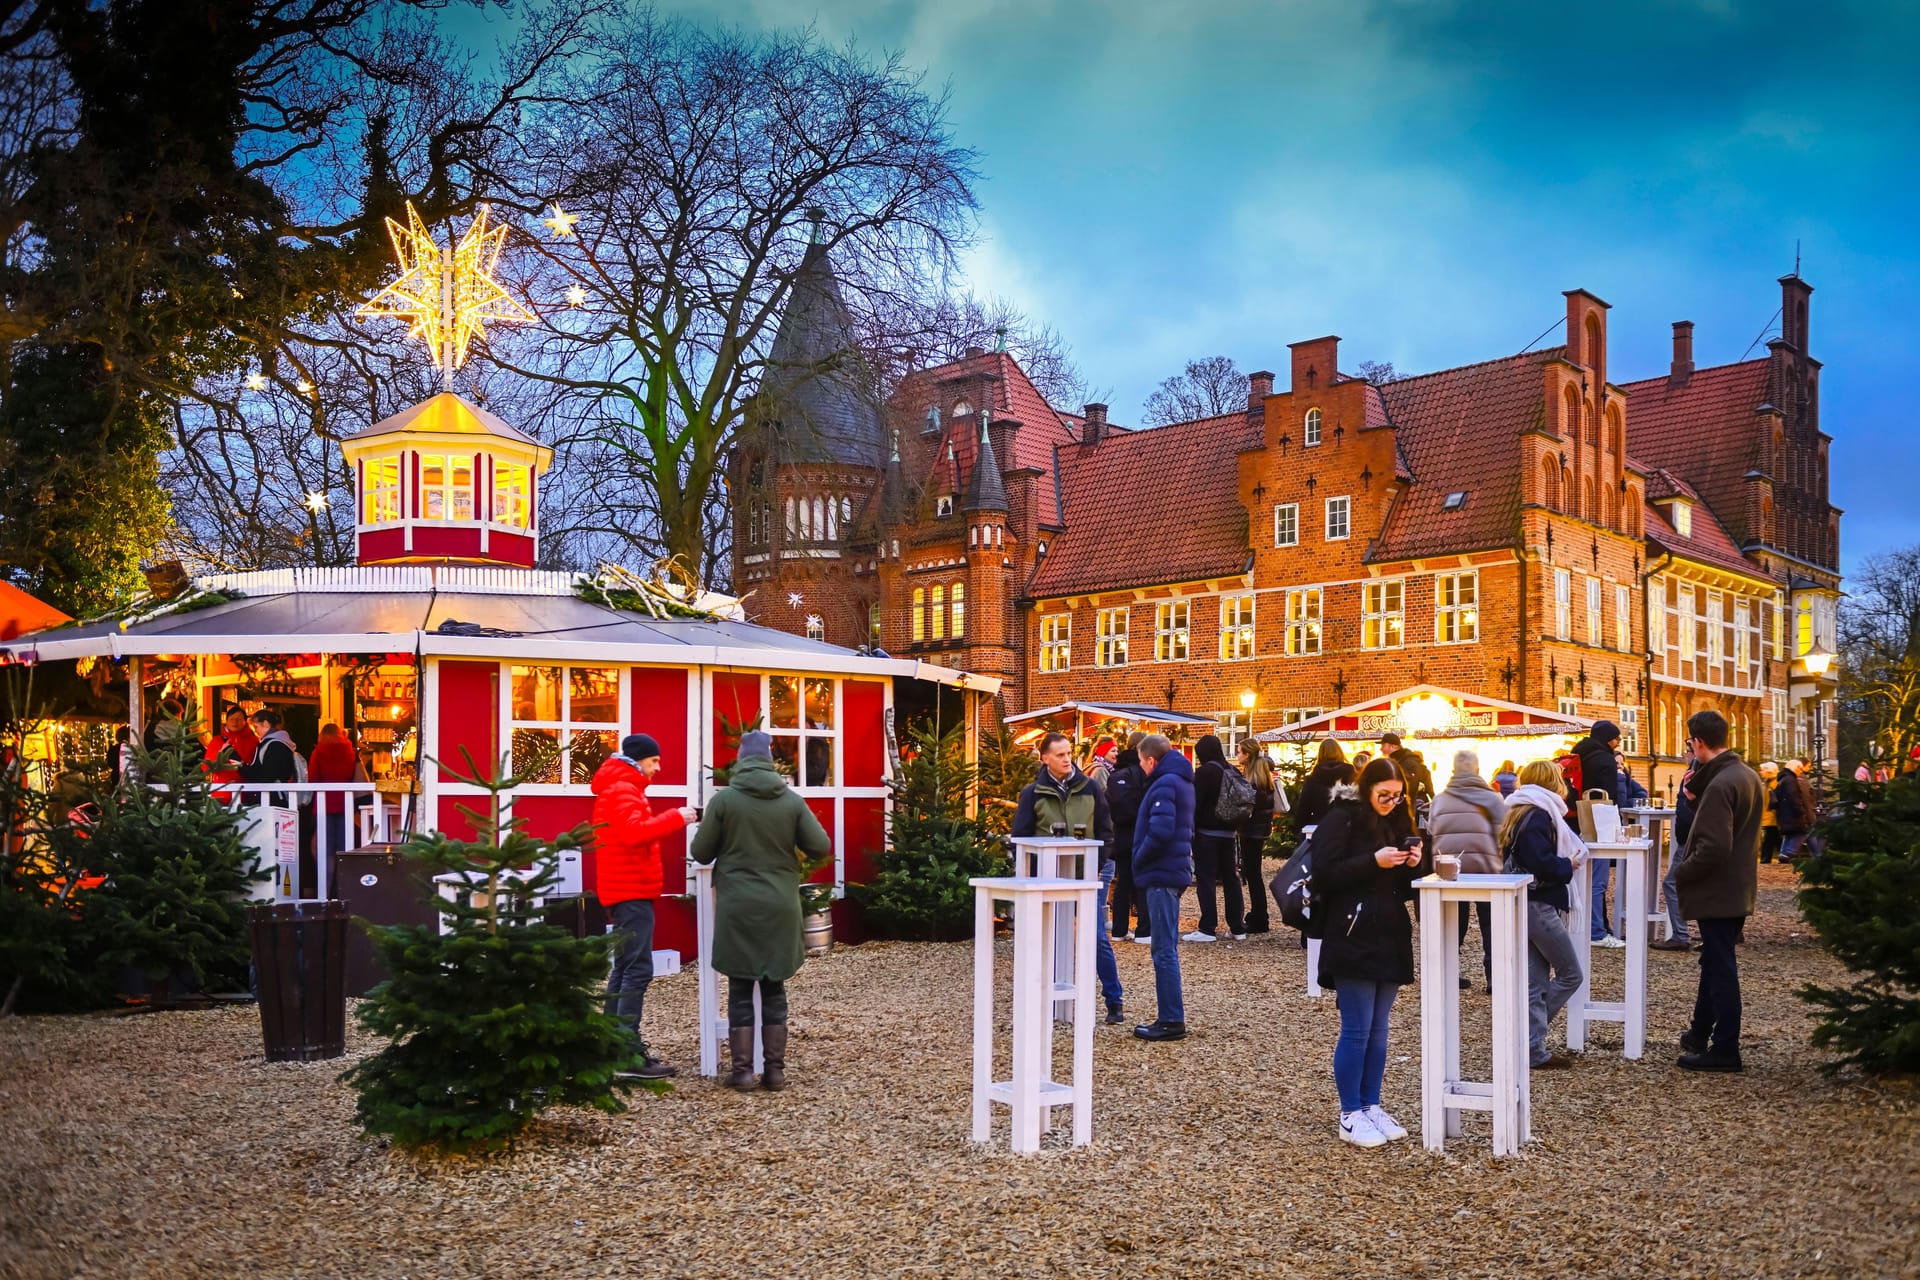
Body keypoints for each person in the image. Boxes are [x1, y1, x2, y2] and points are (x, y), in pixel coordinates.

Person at [691, 730, 831, 1090]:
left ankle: (741, 1072)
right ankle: (775, 1071)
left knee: (740, 986)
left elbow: (702, 852)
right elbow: (820, 847)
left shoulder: (725, 801)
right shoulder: (791, 801)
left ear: (741, 759)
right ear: (770, 760)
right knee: (774, 988)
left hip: (738, 905)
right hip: (780, 904)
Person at [1313, 757, 1422, 1147]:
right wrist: (1372, 862)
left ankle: (1370, 1105)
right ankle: (1350, 1112)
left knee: (1379, 1030)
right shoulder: (1342, 816)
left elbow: (1405, 885)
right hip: (1352, 928)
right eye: (1384, 795)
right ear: (1367, 788)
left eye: (1397, 796)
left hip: (1389, 928)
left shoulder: (1398, 819)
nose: (1391, 802)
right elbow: (1323, 873)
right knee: (1357, 1029)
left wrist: (1413, 864)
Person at [591, 732, 697, 1081]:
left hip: (625, 890)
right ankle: (626, 1052)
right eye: (654, 761)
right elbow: (635, 834)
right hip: (630, 891)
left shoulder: (621, 788)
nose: (658, 768)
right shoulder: (623, 790)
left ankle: (611, 1047)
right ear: (638, 761)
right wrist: (679, 817)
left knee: (624, 968)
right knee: (636, 969)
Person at [1672, 709, 1764, 1072]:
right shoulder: (1746, 775)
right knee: (1713, 962)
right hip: (1736, 887)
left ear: (1698, 742)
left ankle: (1726, 1048)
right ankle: (1700, 1032)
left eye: (1690, 743)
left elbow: (1713, 847)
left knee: (1721, 967)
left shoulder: (1721, 783)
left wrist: (1682, 873)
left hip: (1720, 890)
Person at [1011, 732, 1124, 1024]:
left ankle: (1114, 1000)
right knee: (1045, 936)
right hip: (1046, 875)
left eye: (1068, 753)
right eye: (1059, 754)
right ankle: (1043, 1001)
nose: (1066, 759)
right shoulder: (1032, 793)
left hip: (1086, 872)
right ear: (1045, 758)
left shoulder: (1090, 789)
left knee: (1096, 935)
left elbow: (1105, 830)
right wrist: (1033, 870)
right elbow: (1021, 836)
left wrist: (1096, 865)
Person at [1500, 760, 1588, 1070]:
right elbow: (1543, 862)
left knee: (1536, 982)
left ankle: (1531, 1048)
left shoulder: (1519, 810)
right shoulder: (1539, 814)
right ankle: (1526, 1038)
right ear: (1552, 782)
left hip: (1525, 901)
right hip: (1539, 904)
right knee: (1571, 974)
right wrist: (1569, 866)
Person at [1131, 734, 1194, 1042]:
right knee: (1166, 946)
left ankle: (1171, 1019)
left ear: (1151, 760)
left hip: (1161, 872)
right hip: (1173, 869)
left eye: (1141, 762)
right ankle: (1171, 1016)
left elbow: (1160, 830)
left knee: (1163, 949)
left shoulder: (1165, 783)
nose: (1141, 768)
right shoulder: (1180, 780)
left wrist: (1139, 859)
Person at [1428, 749, 1505, 989]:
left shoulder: (1440, 799)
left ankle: (1449, 973)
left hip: (1449, 869)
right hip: (1485, 869)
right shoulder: (1492, 798)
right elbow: (1503, 833)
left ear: (1453, 771)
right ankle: (1494, 976)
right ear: (1478, 770)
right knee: (1491, 923)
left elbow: (1432, 830)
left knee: (1453, 922)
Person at [1187, 734, 1246, 942]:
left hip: (1207, 834)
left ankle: (1208, 927)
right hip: (1230, 834)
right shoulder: (1233, 770)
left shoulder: (1204, 773)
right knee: (1231, 879)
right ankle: (1238, 927)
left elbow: (1196, 804)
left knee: (1206, 880)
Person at [1572, 720, 1625, 949]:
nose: (1619, 741)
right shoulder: (1605, 759)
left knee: (1581, 879)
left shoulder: (1578, 753)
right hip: (1597, 822)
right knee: (1598, 880)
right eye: (1617, 738)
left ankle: (1582, 926)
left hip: (1575, 822)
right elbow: (1611, 795)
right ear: (1608, 739)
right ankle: (1596, 931)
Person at [1652, 758, 1701, 952]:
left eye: (1689, 746)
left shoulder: (1696, 771)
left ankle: (1681, 935)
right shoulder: (1700, 770)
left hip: (1691, 839)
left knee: (1672, 883)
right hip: (1692, 837)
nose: (1686, 752)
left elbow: (1690, 809)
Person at [1106, 732, 1149, 942]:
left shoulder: (1115, 775)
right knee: (1142, 881)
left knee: (1122, 882)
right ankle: (1143, 930)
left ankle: (1119, 930)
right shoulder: (1145, 772)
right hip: (1142, 833)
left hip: (1121, 835)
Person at [1237, 740, 1282, 935]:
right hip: (1260, 830)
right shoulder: (1264, 779)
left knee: (1253, 874)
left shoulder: (1252, 782)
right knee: (1255, 874)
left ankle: (1259, 917)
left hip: (1251, 831)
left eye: (1239, 752)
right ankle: (1259, 915)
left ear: (1247, 755)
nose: (1237, 755)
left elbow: (1248, 809)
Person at [307, 722, 361, 860]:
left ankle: (325, 881)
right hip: (345, 803)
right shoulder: (350, 751)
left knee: (325, 849)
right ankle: (343, 880)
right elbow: (353, 775)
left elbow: (313, 779)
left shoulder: (318, 752)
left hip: (324, 805)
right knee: (344, 848)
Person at [239, 708, 299, 808]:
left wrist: (242, 767)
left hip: (272, 799)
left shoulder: (273, 745)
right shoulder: (281, 743)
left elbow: (266, 776)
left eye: (256, 726)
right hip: (277, 797)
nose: (255, 731)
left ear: (266, 724)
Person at [1295, 738, 1355, 830]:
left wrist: (1301, 829)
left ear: (1320, 754)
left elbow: (1304, 808)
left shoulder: (1313, 778)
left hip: (1319, 827)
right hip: (1346, 827)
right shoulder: (1351, 774)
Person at [1773, 759, 1814, 863]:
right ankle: (1787, 855)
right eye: (1800, 769)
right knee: (1799, 833)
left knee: (1791, 835)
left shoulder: (1783, 779)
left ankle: (1784, 854)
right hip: (1793, 815)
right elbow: (1793, 797)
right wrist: (1801, 811)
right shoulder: (1791, 780)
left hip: (1785, 815)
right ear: (1794, 768)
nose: (1801, 771)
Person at [1377, 733, 1432, 808]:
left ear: (1392, 746)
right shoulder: (1399, 762)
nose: (1381, 749)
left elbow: (1408, 790)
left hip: (1410, 810)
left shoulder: (1407, 764)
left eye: (1383, 745)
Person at [1756, 762, 1782, 863]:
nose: (1760, 772)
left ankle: (1765, 860)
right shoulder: (1767, 783)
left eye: (1762, 770)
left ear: (1769, 771)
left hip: (1772, 817)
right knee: (1771, 840)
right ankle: (1766, 860)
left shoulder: (1774, 783)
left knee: (1769, 840)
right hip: (1768, 817)